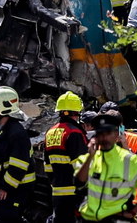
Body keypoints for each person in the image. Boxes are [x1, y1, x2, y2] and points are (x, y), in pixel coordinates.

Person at [73, 111, 137, 222]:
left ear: (117, 133)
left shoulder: (130, 159)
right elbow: (78, 183)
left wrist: (132, 212)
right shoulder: (89, 158)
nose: (104, 137)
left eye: (108, 133)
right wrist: (90, 156)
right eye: (101, 133)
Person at [0, 86, 36, 221]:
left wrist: (6, 187)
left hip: (17, 187)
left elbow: (19, 166)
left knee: (6, 218)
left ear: (5, 107)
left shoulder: (17, 133)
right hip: (1, 184)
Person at [45, 92, 88, 223]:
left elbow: (47, 167)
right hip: (75, 196)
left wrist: (56, 184)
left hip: (57, 193)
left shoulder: (50, 132)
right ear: (77, 112)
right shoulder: (74, 133)